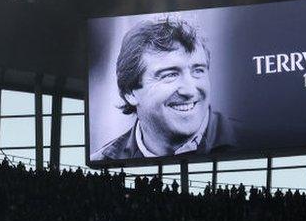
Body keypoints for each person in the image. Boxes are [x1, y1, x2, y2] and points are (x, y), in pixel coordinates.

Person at [92, 16, 238, 162]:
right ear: (130, 92)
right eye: (170, 75)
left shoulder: (253, 140)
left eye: (198, 71)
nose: (189, 90)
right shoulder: (103, 161)